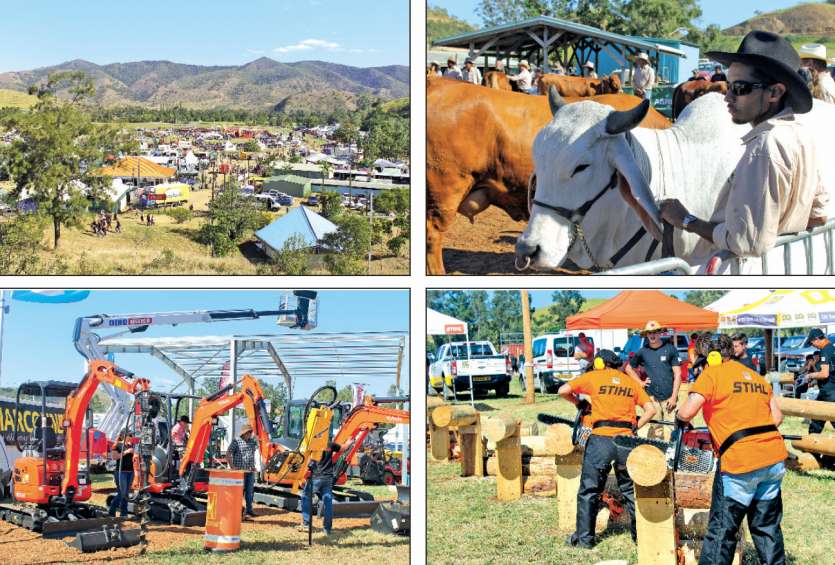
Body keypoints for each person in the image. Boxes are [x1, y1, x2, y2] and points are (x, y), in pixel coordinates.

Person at [659, 30, 827, 264]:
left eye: (739, 88)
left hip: (738, 270)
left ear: (775, 92)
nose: (727, 97)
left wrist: (687, 220)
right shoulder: (801, 135)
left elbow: (746, 242)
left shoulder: (765, 146)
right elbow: (819, 214)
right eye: (729, 87)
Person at [676, 334, 787, 565]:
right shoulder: (756, 377)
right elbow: (777, 417)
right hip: (773, 460)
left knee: (722, 531)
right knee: (767, 527)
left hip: (740, 463)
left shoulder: (711, 374)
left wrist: (679, 416)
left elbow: (686, 413)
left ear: (711, 358)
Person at [559, 349, 656, 549]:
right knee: (631, 491)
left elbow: (563, 390)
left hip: (601, 440)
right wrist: (634, 427)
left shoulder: (594, 376)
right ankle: (641, 539)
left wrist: (579, 403)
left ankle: (585, 540)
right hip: (626, 442)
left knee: (589, 490)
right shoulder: (629, 382)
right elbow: (651, 410)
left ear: (600, 364)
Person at [624, 321, 681, 439]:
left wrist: (674, 397)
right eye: (649, 332)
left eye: (655, 332)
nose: (652, 335)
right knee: (655, 429)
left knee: (672, 429)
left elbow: (678, 374)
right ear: (646, 334)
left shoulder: (670, 349)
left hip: (669, 397)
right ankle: (654, 454)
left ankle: (671, 455)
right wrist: (640, 382)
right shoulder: (642, 351)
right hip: (652, 397)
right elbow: (628, 368)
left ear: (660, 333)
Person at [298, 442, 340, 536]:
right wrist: (350, 440)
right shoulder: (330, 444)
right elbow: (342, 448)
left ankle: (306, 523)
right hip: (328, 478)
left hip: (316, 477)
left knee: (305, 496)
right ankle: (327, 529)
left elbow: (307, 459)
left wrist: (302, 477)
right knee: (328, 501)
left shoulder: (313, 443)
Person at [802, 328, 835, 437]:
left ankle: (811, 446)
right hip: (829, 391)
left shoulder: (825, 350)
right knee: (817, 420)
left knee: (818, 420)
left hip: (828, 393)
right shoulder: (832, 348)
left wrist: (810, 375)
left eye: (812, 343)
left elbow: (824, 373)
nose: (813, 346)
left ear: (816, 339)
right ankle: (812, 446)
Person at [227, 424, 259, 519]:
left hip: (250, 471)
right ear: (244, 433)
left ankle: (249, 510)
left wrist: (253, 466)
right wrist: (232, 467)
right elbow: (228, 453)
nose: (250, 434)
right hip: (239, 472)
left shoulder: (252, 442)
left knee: (250, 492)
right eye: (249, 432)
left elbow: (253, 454)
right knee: (238, 492)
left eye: (251, 432)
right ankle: (237, 510)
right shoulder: (236, 441)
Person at [108, 432, 135, 517]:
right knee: (122, 493)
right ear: (124, 435)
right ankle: (111, 511)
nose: (131, 437)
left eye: (131, 435)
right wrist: (127, 452)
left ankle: (124, 513)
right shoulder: (117, 445)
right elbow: (114, 457)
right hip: (121, 472)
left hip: (130, 472)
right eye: (129, 435)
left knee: (126, 494)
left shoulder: (131, 445)